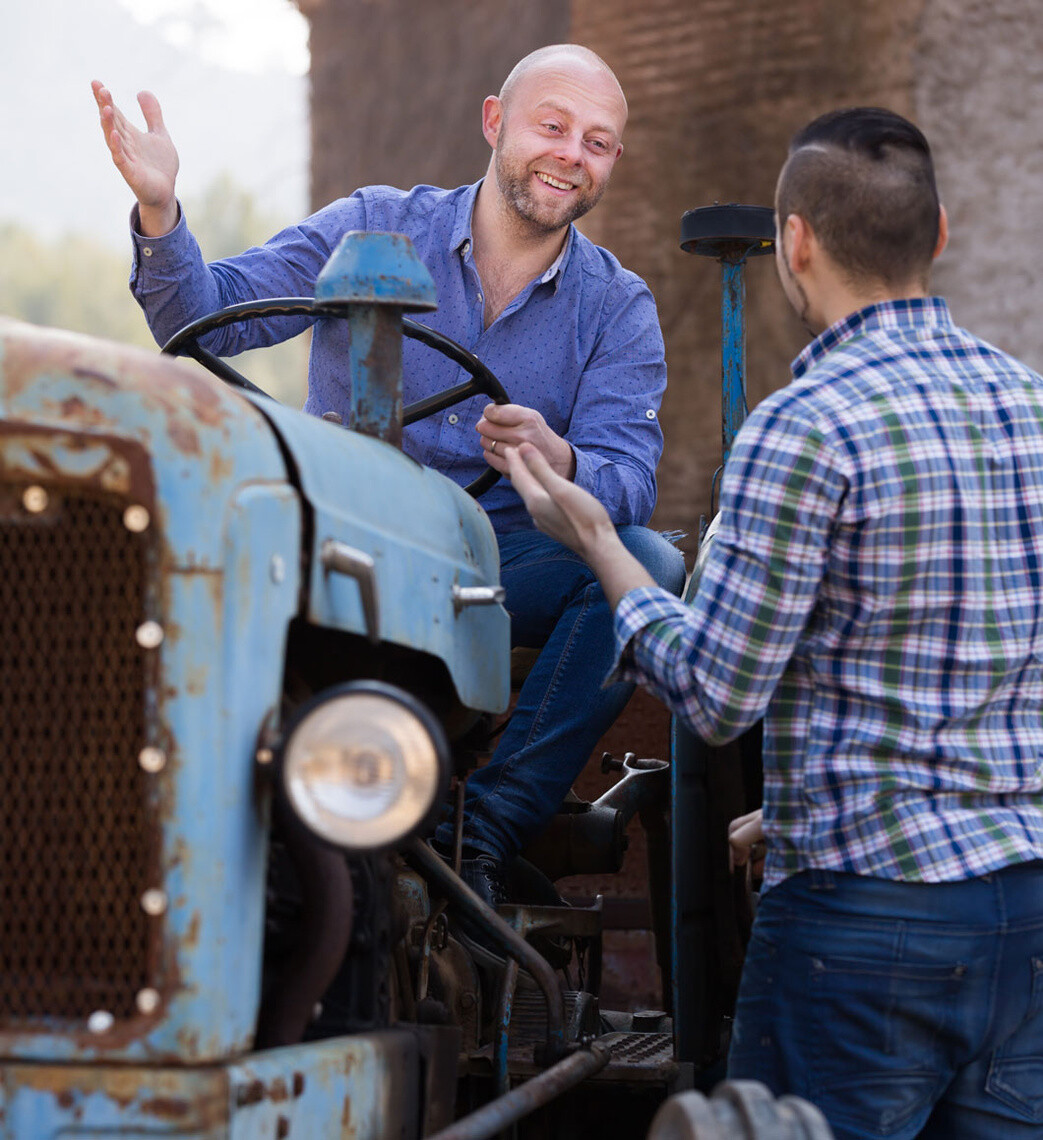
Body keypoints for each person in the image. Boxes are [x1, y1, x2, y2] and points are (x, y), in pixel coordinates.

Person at [503, 106, 1043, 1140]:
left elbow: (715, 691)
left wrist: (599, 547)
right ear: (937, 233)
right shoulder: (1027, 407)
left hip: (862, 929)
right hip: (1022, 917)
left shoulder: (801, 426)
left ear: (791, 241)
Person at [91, 46, 686, 909]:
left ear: (612, 163)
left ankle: (486, 826)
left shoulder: (616, 305)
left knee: (647, 567)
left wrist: (563, 460)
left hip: (493, 569)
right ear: (495, 122)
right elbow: (203, 320)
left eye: (596, 142)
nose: (570, 154)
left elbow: (627, 482)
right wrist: (158, 207)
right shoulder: (372, 227)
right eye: (550, 127)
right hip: (339, 553)